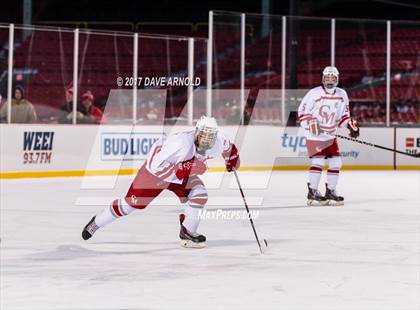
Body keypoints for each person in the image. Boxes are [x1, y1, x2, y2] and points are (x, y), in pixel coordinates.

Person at [81, 116, 240, 248]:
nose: (207, 141)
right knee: (131, 204)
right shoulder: (181, 144)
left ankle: (188, 231)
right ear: (197, 133)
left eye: (210, 137)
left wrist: (232, 159)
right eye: (204, 136)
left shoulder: (218, 141)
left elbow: (229, 148)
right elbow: (156, 165)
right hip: (154, 173)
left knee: (199, 194)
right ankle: (97, 221)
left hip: (182, 170)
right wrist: (184, 168)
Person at [298, 66, 360, 206]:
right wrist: (311, 123)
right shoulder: (314, 93)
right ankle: (312, 191)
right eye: (327, 78)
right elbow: (302, 112)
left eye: (332, 78)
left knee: (336, 163)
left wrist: (350, 126)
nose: (330, 80)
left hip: (330, 135)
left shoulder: (342, 94)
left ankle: (330, 191)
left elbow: (343, 116)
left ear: (337, 79)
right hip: (315, 135)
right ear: (323, 79)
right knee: (318, 162)